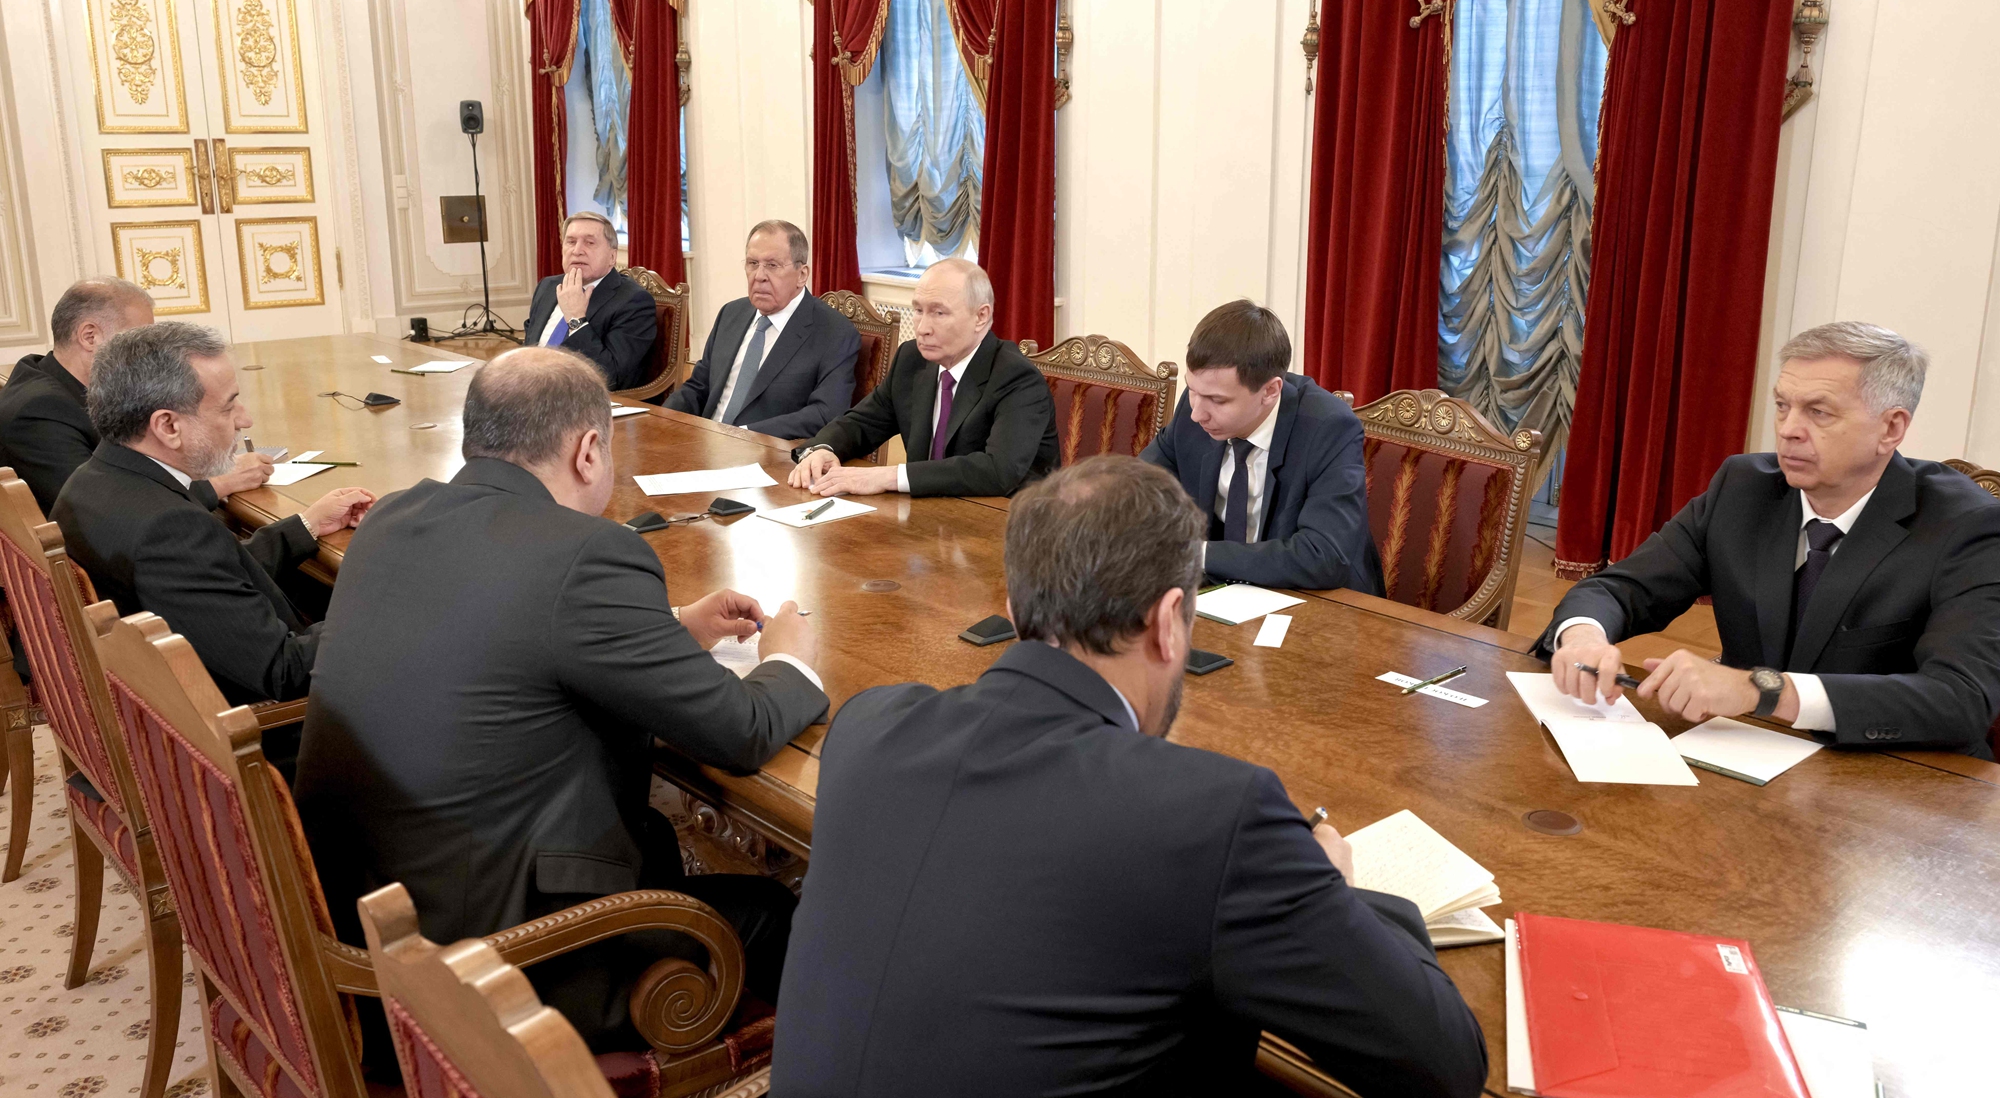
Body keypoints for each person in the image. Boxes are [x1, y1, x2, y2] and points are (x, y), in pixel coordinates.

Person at [774, 454, 1487, 1097]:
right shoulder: (1215, 817)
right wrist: (1339, 889)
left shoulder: (868, 727)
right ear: (1170, 621)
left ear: (1016, 608)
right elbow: (1444, 1063)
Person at [293, 347, 827, 1054]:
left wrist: (671, 628)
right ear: (587, 450)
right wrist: (790, 657)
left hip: (364, 916)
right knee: (768, 908)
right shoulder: (588, 553)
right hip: (494, 969)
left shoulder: (394, 517)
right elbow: (740, 730)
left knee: (664, 843)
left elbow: (495, 620)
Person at [1544, 322, 2000, 760]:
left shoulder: (1969, 526)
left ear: (1891, 429)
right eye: (1783, 405)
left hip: (1895, 779)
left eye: (1818, 412)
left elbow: (1960, 699)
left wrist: (1759, 690)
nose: (1788, 429)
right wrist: (1584, 635)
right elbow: (1619, 589)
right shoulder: (1744, 488)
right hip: (1743, 753)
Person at [53, 323, 372, 766]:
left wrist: (305, 525)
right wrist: (386, 586)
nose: (245, 419)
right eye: (228, 406)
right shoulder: (168, 531)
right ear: (168, 426)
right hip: (259, 749)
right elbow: (287, 672)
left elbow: (208, 585)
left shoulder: (93, 482)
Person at [1140, 300, 1383, 593]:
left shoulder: (1328, 428)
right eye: (1193, 391)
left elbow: (1323, 556)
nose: (1197, 413)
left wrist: (1195, 554)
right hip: (1217, 595)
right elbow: (1138, 484)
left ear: (1270, 391)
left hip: (1316, 602)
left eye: (1217, 400)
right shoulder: (1196, 410)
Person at [785, 258, 1058, 498]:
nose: (923, 328)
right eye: (918, 310)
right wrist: (823, 449)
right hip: (927, 519)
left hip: (1003, 527)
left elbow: (997, 470)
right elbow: (862, 423)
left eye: (939, 313)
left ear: (981, 316)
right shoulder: (912, 359)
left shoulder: (1016, 377)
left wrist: (888, 477)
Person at [0, 276, 271, 513]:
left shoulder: (55, 378)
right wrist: (222, 481)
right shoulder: (38, 409)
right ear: (90, 336)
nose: (146, 351)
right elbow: (100, 508)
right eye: (136, 338)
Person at [663, 220, 860, 437]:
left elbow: (825, 413)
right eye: (752, 263)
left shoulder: (833, 332)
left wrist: (745, 435)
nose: (759, 276)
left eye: (772, 265)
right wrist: (660, 421)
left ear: (802, 274)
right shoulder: (731, 314)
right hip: (704, 444)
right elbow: (698, 387)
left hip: (769, 455)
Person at [522, 213, 659, 391]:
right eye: (571, 242)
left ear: (612, 256)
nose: (577, 250)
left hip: (581, 401)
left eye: (589, 243)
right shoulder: (548, 287)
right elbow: (529, 347)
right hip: (529, 390)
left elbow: (610, 375)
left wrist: (576, 319)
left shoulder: (633, 301)